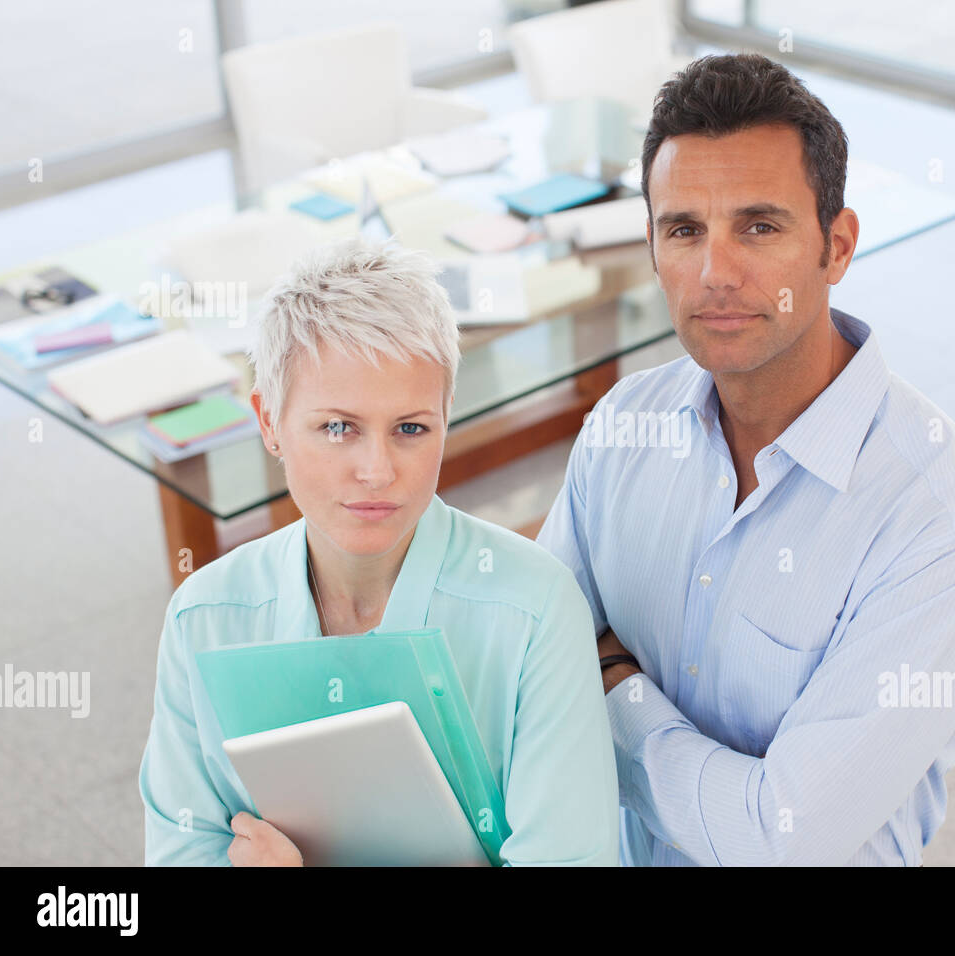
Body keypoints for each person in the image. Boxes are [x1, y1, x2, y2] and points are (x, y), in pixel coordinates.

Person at [536, 52, 955, 866]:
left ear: (837, 247)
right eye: (684, 230)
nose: (716, 273)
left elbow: (780, 837)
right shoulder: (624, 424)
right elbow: (536, 665)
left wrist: (616, 686)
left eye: (759, 227)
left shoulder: (951, 530)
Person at [138, 238, 619, 866]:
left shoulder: (536, 609)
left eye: (411, 429)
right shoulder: (202, 617)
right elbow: (180, 849)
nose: (377, 471)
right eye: (338, 427)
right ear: (269, 422)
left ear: (448, 417)